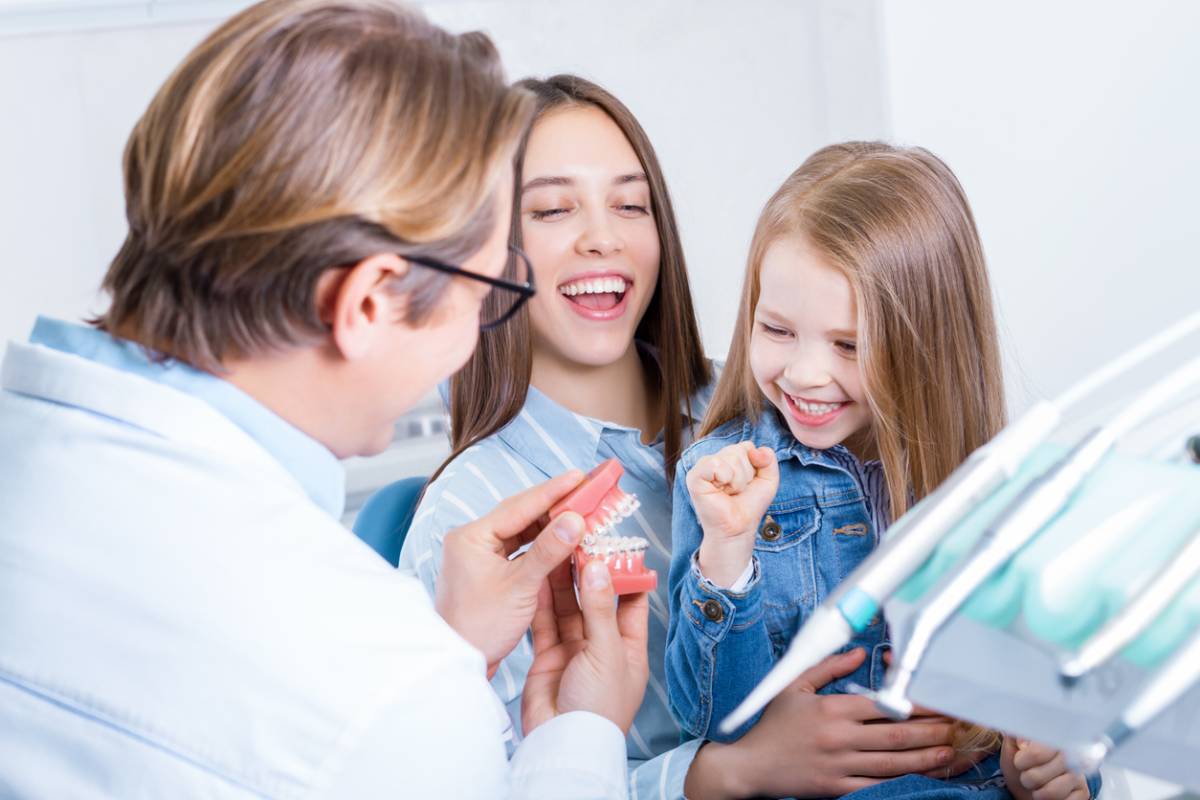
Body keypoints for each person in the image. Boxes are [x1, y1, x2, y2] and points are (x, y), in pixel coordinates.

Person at [0, 3, 648, 797]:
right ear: (369, 303)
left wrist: (444, 651)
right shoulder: (380, 696)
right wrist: (577, 741)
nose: (477, 337)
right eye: (487, 292)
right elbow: (348, 718)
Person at [399, 79, 986, 799]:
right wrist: (728, 771)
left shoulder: (789, 405)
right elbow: (492, 782)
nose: (602, 236)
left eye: (630, 204)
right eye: (553, 208)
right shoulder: (470, 520)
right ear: (486, 252)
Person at [665, 141, 1098, 800]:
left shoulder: (1003, 489)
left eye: (848, 345)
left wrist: (1046, 768)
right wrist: (729, 553)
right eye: (777, 330)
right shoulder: (726, 483)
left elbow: (1058, 707)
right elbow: (715, 722)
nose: (805, 373)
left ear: (928, 343)